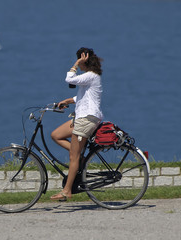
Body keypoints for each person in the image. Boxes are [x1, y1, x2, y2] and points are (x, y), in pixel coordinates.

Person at [50, 47, 104, 201]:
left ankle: (66, 191)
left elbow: (70, 79)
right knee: (56, 135)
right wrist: (68, 100)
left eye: (81, 62)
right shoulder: (90, 77)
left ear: (84, 61)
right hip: (82, 117)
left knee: (73, 157)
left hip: (87, 119)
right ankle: (79, 155)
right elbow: (85, 96)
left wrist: (75, 63)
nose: (79, 66)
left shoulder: (91, 75)